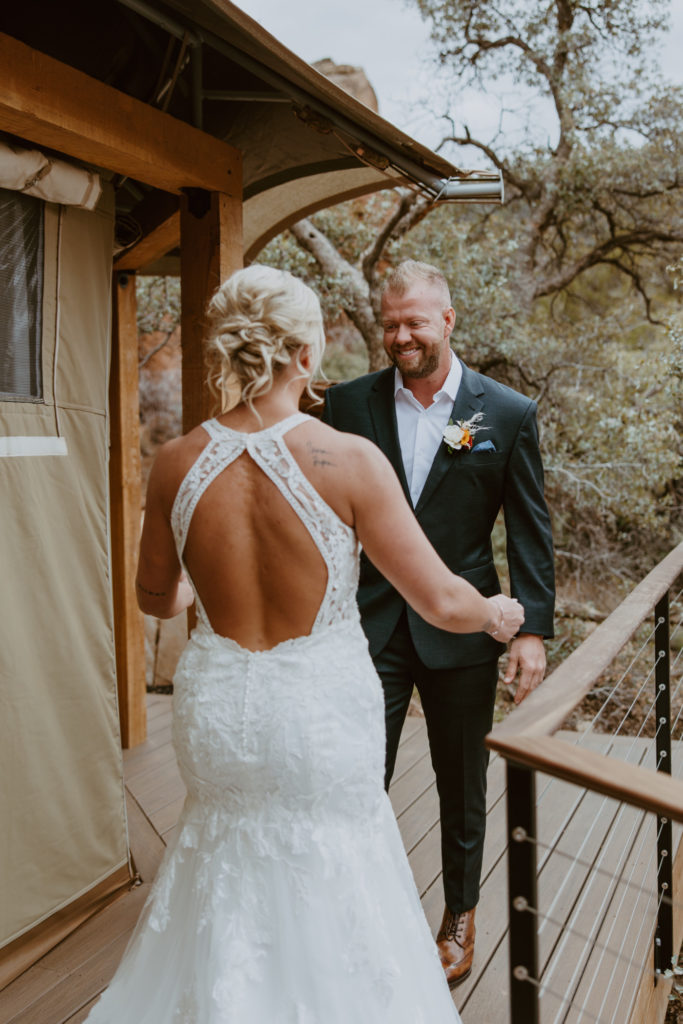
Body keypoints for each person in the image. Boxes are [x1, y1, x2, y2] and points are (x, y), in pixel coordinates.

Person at [84, 265, 523, 1023]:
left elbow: (156, 597)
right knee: (335, 869)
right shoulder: (346, 460)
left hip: (220, 711)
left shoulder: (177, 462)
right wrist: (499, 612)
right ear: (306, 355)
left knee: (218, 858)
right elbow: (440, 599)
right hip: (316, 712)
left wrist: (195, 586)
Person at [323, 260, 555, 988]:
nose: (400, 336)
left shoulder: (505, 413)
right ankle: (350, 910)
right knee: (357, 771)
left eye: (414, 323)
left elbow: (528, 529)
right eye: (390, 323)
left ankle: (459, 913)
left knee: (462, 779)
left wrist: (529, 629)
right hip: (373, 624)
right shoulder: (348, 404)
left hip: (462, 625)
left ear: (448, 321)